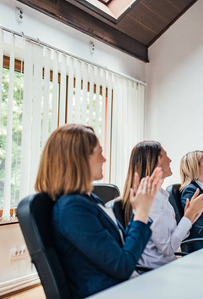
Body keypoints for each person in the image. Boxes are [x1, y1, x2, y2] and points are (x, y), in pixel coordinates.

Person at [35, 124, 162, 299]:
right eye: (99, 152)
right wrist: (141, 213)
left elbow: (121, 248)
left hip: (124, 286)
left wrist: (139, 210)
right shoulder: (72, 209)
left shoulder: (89, 200)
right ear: (79, 159)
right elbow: (123, 266)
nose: (104, 159)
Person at [122, 141, 203, 269]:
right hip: (158, 270)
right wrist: (188, 217)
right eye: (165, 155)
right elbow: (169, 248)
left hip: (169, 264)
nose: (170, 160)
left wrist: (190, 218)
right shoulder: (150, 199)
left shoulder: (161, 194)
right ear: (155, 161)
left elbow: (176, 239)